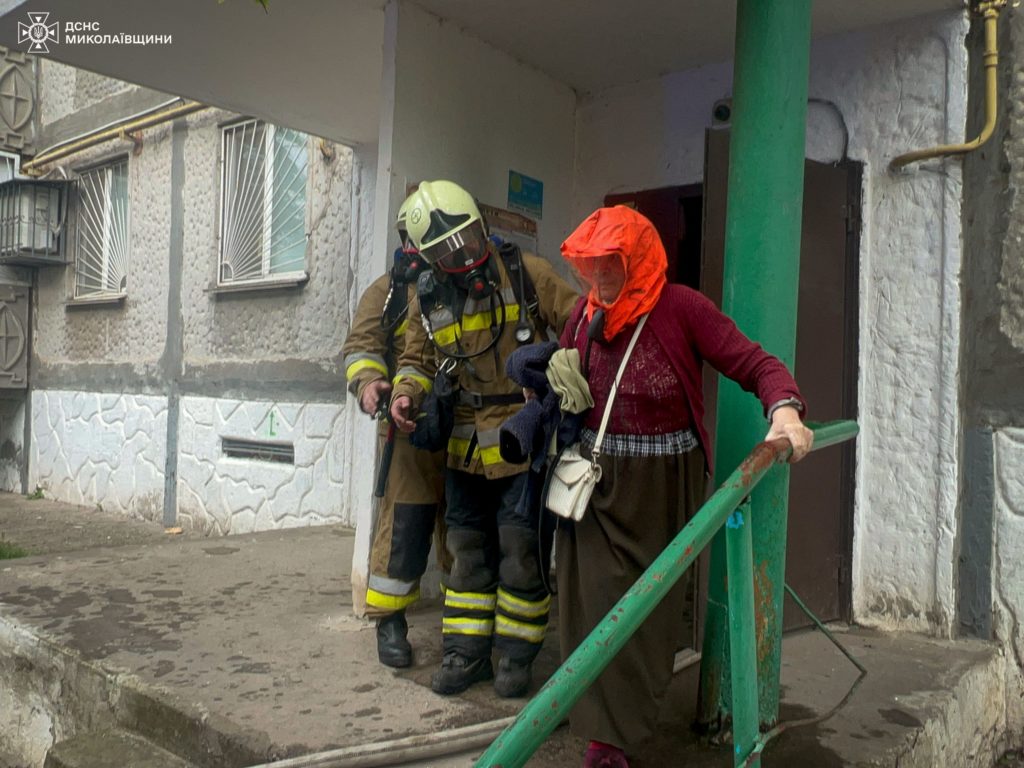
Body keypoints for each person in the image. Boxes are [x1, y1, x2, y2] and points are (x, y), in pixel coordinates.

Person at [554, 206, 813, 768]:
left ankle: (617, 732)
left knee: (645, 615)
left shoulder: (682, 308)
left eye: (611, 265)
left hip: (660, 488)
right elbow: (566, 384)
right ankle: (602, 739)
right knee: (593, 604)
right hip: (596, 484)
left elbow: (754, 363)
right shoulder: (583, 314)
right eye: (591, 265)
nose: (599, 278)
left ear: (638, 260)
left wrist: (785, 411)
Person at [389, 180, 579, 698]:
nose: (463, 254)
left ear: (481, 227)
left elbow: (581, 325)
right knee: (465, 551)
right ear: (428, 257)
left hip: (521, 442)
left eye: (470, 240)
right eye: (447, 251)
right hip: (463, 447)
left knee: (521, 552)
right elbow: (417, 360)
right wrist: (406, 393)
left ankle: (516, 659)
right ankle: (466, 653)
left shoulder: (525, 272)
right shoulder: (427, 297)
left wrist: (561, 378)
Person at [342, 194, 449, 669]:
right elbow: (360, 347)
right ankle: (391, 624)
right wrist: (369, 384)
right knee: (403, 528)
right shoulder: (386, 291)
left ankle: (464, 635)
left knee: (464, 534)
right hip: (407, 432)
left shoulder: (459, 284)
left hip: (463, 425)